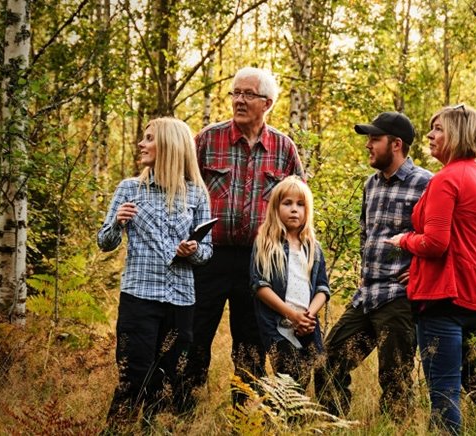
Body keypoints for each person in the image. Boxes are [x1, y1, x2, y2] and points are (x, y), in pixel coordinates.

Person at [386, 104, 476, 434]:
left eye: (438, 128)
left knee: (444, 392)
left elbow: (435, 243)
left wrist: (404, 240)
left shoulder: (446, 181)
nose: (429, 135)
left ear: (458, 134)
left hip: (444, 302)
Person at [189, 67, 305, 402]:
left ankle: (246, 413)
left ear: (267, 103)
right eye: (235, 93)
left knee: (251, 341)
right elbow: (183, 192)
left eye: (248, 94)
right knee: (195, 333)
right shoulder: (208, 140)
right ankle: (181, 407)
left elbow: (299, 203)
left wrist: (293, 258)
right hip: (209, 256)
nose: (239, 100)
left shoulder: (283, 148)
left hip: (259, 261)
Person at [315, 112, 431, 419]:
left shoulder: (427, 183)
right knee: (328, 363)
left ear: (395, 144)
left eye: (374, 139)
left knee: (395, 381)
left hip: (399, 299)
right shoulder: (371, 184)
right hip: (367, 295)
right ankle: (333, 424)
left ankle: (395, 429)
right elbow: (367, 232)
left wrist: (419, 272)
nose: (368, 145)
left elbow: (440, 238)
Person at [98, 117, 214, 422]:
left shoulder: (197, 194)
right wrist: (117, 223)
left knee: (168, 382)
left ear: (170, 146)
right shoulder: (129, 189)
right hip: (139, 297)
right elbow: (105, 242)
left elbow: (206, 252)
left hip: (181, 301)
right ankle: (117, 430)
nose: (141, 143)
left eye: (149, 138)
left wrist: (192, 250)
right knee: (133, 376)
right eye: (143, 138)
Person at [249, 176, 329, 389]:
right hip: (278, 326)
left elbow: (322, 288)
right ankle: (283, 420)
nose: (294, 210)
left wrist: (308, 316)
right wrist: (292, 315)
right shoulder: (266, 244)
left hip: (306, 325)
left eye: (300, 204)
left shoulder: (313, 247)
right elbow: (260, 286)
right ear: (276, 208)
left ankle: (301, 421)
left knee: (306, 376)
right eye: (287, 203)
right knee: (289, 375)